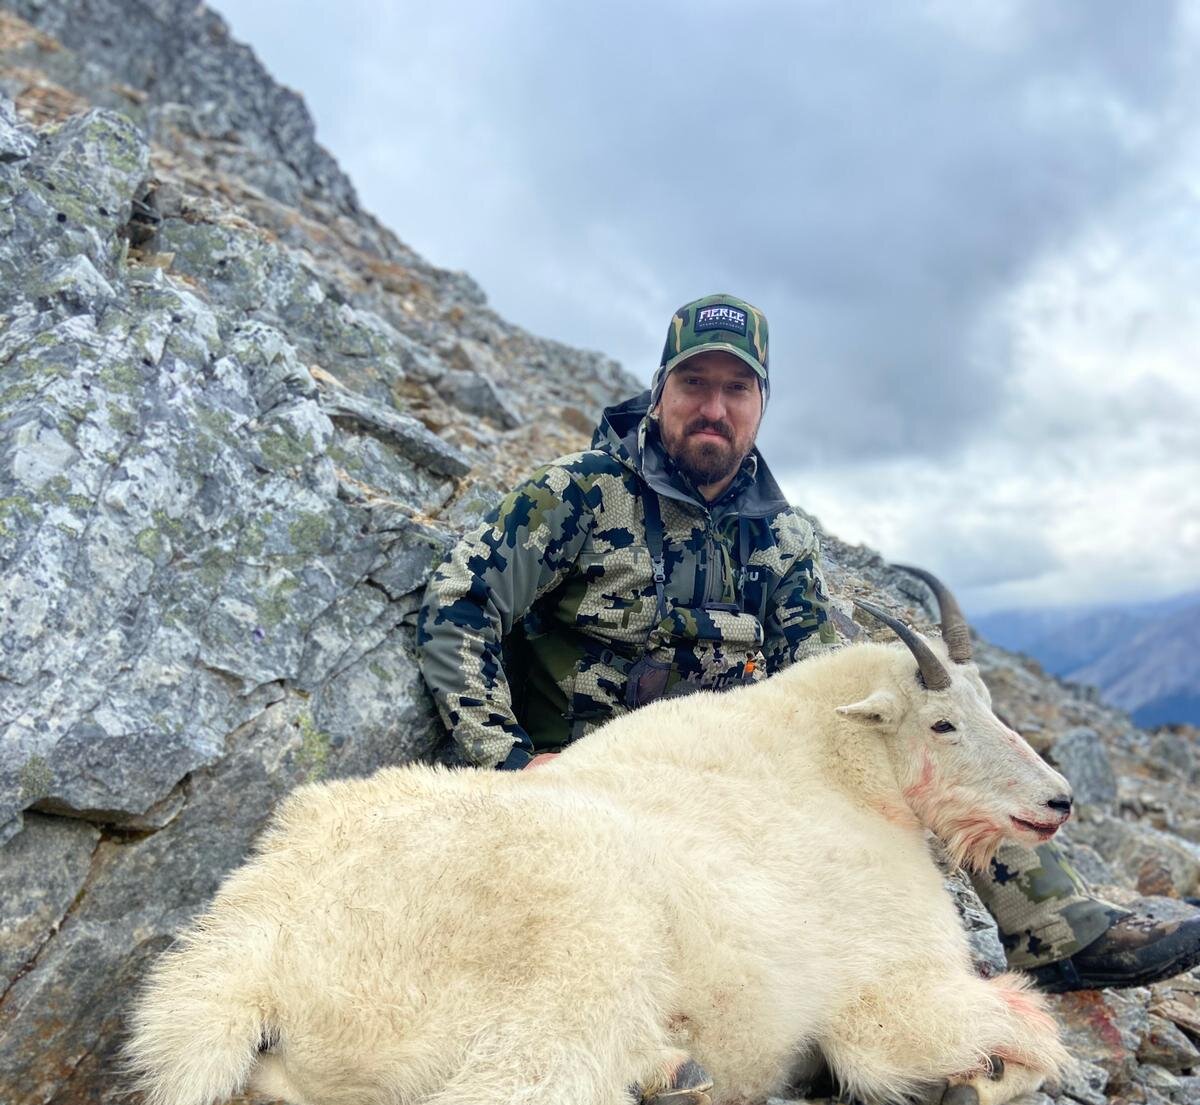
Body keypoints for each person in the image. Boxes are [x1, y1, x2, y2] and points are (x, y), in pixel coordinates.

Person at [418, 293, 1200, 994]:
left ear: (763, 402)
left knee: (916, 712)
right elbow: (461, 606)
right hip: (600, 788)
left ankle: (1058, 928)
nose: (713, 408)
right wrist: (510, 762)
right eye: (694, 385)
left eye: (737, 388)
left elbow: (822, 681)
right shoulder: (576, 494)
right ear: (660, 392)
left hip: (733, 787)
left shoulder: (778, 534)